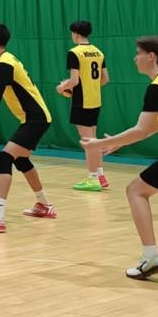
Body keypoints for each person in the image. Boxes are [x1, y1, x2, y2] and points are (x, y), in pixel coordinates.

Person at [83, 36, 158, 280]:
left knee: (136, 191)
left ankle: (150, 256)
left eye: (138, 53)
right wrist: (117, 143)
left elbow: (141, 130)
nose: (135, 58)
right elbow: (156, 125)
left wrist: (99, 143)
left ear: (151, 56)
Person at [0, 23, 54, 231]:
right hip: (35, 118)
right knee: (21, 160)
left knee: (2, 158)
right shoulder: (6, 60)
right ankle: (44, 205)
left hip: (36, 119)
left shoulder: (4, 63)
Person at [57, 20, 109, 191]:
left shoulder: (75, 53)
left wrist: (62, 87)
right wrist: (90, 86)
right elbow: (105, 79)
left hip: (82, 101)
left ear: (76, 33)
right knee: (94, 139)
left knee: (88, 142)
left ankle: (92, 179)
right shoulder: (98, 52)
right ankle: (100, 176)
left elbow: (74, 81)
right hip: (95, 100)